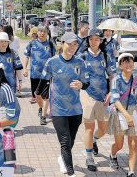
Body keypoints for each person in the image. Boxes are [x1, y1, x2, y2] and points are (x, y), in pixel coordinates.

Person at [37, 32, 89, 176]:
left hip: (76, 110)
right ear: (62, 44)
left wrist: (81, 85)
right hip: (58, 109)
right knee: (65, 141)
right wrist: (38, 97)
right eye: (69, 44)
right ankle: (71, 172)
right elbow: (43, 81)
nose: (72, 47)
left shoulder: (80, 62)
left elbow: (86, 82)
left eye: (75, 44)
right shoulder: (52, 62)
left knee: (70, 141)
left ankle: (62, 159)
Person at [80, 28, 116, 172]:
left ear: (101, 41)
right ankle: (89, 157)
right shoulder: (82, 56)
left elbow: (113, 76)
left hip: (103, 96)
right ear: (87, 40)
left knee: (103, 128)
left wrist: (111, 92)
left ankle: (94, 140)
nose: (93, 42)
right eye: (91, 39)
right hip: (87, 94)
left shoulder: (106, 55)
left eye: (97, 39)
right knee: (89, 127)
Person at [107, 53, 137, 176]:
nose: (128, 64)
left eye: (130, 61)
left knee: (133, 144)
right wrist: (126, 115)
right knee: (119, 144)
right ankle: (113, 155)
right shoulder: (116, 80)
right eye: (125, 62)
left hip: (133, 111)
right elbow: (116, 101)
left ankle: (131, 172)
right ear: (120, 66)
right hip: (119, 112)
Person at [23, 25, 56, 125]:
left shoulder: (50, 44)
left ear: (47, 33)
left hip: (46, 75)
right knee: (37, 95)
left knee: (45, 97)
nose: (42, 33)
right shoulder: (32, 43)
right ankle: (40, 108)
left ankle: (43, 116)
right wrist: (25, 68)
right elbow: (26, 56)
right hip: (34, 74)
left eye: (44, 31)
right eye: (40, 31)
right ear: (37, 33)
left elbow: (55, 59)